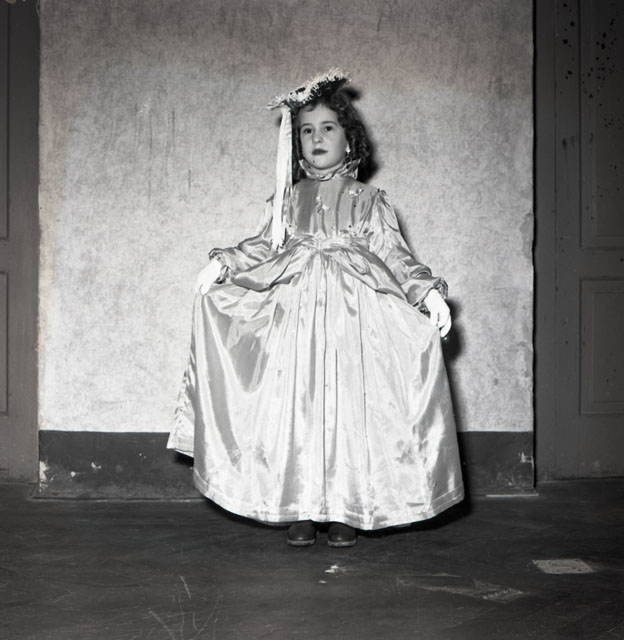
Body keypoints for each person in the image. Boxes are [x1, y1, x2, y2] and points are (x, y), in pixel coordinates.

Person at [168, 69, 464, 547]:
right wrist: (222, 264)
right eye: (306, 131)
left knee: (349, 411)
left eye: (328, 128)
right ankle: (302, 503)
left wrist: (426, 292)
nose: (317, 138)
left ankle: (346, 505)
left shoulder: (369, 201)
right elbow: (262, 245)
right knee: (298, 408)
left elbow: (395, 256)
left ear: (349, 139)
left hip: (355, 324)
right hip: (296, 323)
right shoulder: (287, 201)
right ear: (297, 143)